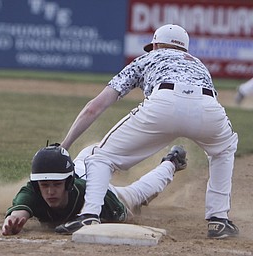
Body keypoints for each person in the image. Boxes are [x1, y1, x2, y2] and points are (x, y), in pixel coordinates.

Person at [56, 24, 239, 239]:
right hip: (209, 108)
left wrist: (64, 146)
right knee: (223, 151)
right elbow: (196, 106)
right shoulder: (198, 64)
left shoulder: (147, 58)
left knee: (100, 156)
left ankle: (89, 214)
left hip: (163, 103)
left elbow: (95, 107)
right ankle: (219, 220)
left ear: (158, 44)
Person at [1, 144, 187, 236]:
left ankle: (172, 162)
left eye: (57, 185)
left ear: (68, 183)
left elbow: (126, 215)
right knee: (90, 154)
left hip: (97, 181)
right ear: (36, 185)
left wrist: (124, 213)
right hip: (81, 166)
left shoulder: (95, 195)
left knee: (136, 195)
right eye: (45, 185)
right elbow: (19, 211)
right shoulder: (33, 191)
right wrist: (13, 220)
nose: (50, 192)